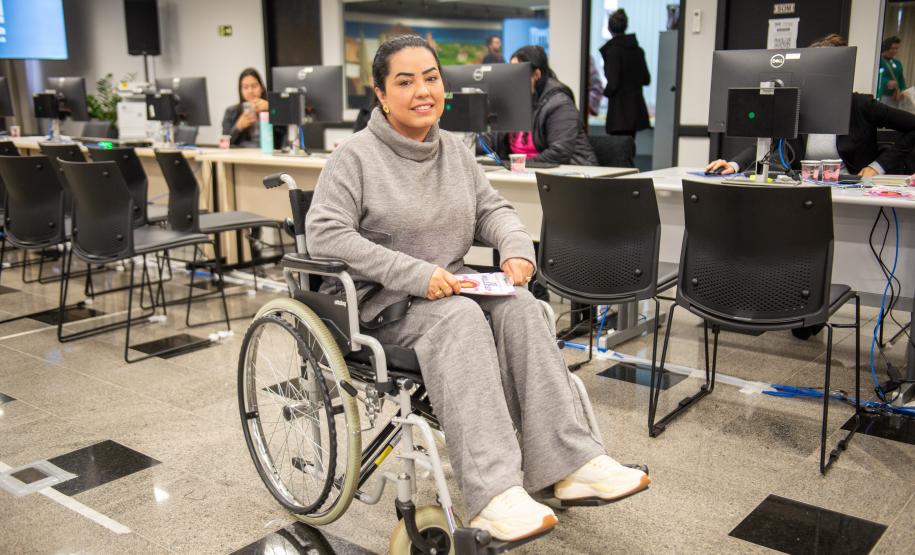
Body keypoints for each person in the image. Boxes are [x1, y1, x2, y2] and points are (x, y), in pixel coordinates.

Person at [305, 35, 649, 542]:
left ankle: (570, 464)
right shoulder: (354, 158)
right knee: (463, 319)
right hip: (389, 305)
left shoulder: (455, 152)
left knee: (524, 308)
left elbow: (493, 211)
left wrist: (515, 249)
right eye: (405, 81)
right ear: (380, 94)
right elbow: (326, 233)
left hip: (453, 288)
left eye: (431, 78)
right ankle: (493, 495)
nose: (423, 91)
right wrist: (415, 273)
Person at [706, 34, 915, 179]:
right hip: (805, 194)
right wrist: (734, 165)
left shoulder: (861, 105)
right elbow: (770, 145)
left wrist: (876, 167)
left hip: (855, 191)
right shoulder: (797, 105)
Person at [485, 45, 598, 166]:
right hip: (528, 174)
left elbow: (559, 152)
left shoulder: (559, 104)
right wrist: (467, 145)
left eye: (517, 73)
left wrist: (516, 165)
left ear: (536, 75)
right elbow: (493, 139)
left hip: (573, 175)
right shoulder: (515, 101)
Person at [599, 9, 651, 138]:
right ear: (626, 26)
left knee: (618, 152)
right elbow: (646, 79)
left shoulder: (612, 52)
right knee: (629, 148)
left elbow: (613, 83)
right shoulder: (638, 50)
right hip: (634, 111)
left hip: (619, 113)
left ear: (609, 28)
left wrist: (604, 93)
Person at [221, 68, 270, 147]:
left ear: (261, 88)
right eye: (245, 87)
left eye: (254, 86)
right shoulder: (231, 111)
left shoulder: (270, 108)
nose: (250, 91)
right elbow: (224, 144)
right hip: (242, 156)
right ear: (241, 91)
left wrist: (270, 108)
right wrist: (238, 127)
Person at [878, 36, 907, 103]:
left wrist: (903, 90)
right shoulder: (879, 61)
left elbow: (901, 79)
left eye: (897, 48)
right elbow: (875, 77)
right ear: (886, 48)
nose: (895, 51)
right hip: (882, 95)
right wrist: (886, 82)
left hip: (895, 96)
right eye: (892, 48)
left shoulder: (897, 63)